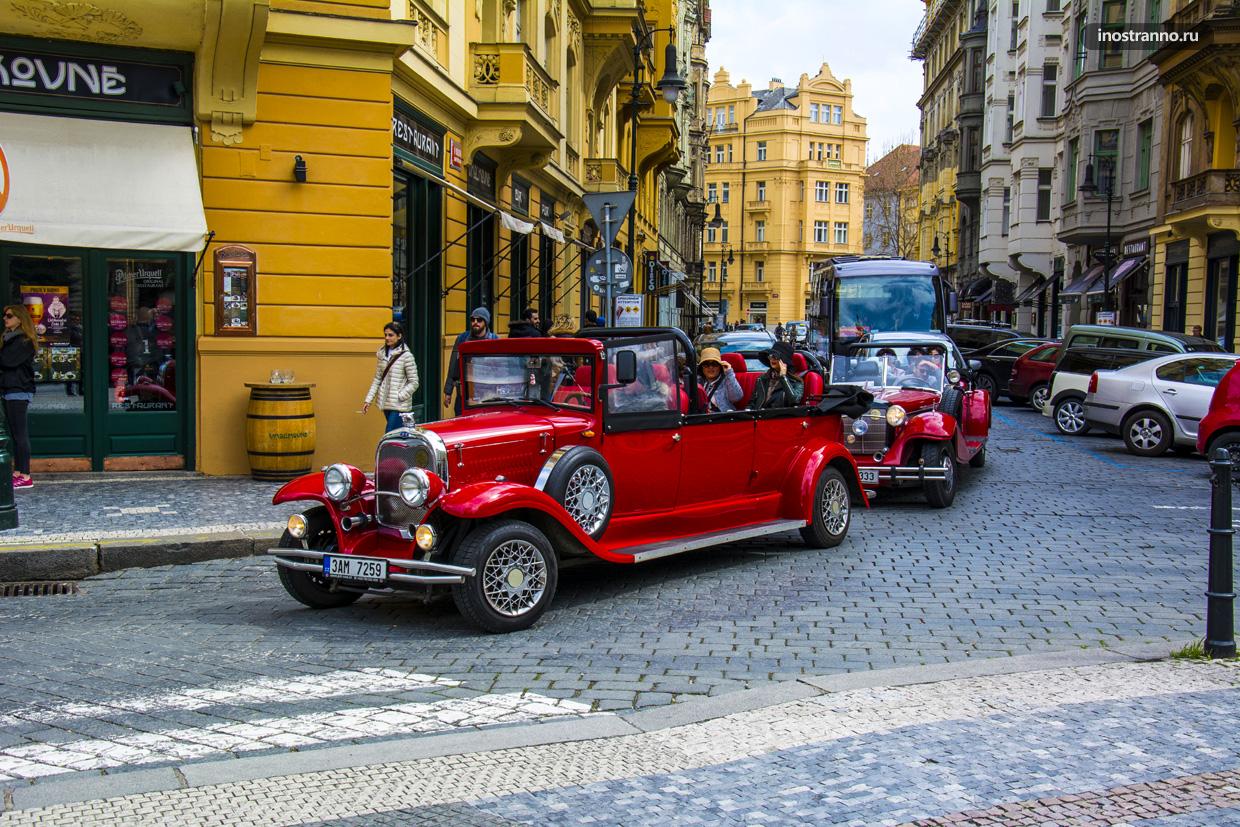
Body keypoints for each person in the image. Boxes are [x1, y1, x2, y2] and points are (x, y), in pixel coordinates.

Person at [1, 305, 37, 489]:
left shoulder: (24, 341)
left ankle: (25, 474)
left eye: (9, 316)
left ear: (20, 319)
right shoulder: (9, 338)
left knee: (20, 434)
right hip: (9, 389)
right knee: (15, 434)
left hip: (19, 389)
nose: (5, 319)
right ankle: (18, 471)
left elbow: (7, 361)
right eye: (4, 316)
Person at [363, 321, 419, 432]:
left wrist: (400, 396)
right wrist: (368, 400)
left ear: (399, 336)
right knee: (397, 436)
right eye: (386, 335)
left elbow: (414, 382)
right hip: (386, 403)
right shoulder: (382, 354)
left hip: (399, 405)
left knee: (390, 433)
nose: (387, 338)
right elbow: (378, 379)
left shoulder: (406, 356)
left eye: (390, 335)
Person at [443, 307, 498, 416]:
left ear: (486, 322)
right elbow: (454, 365)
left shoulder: (494, 339)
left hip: (486, 394)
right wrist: (448, 391)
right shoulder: (462, 338)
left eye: (479, 320)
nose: (475, 323)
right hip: (464, 393)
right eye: (473, 320)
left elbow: (499, 368)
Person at [748, 341, 804, 410]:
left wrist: (783, 377)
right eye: (770, 356)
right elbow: (752, 403)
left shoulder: (796, 381)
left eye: (775, 356)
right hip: (758, 417)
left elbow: (794, 401)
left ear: (784, 360)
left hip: (778, 418)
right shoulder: (762, 379)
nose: (772, 358)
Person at [698, 347, 743, 412]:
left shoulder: (727, 380)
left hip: (723, 418)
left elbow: (736, 397)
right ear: (701, 368)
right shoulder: (697, 381)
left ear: (720, 367)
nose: (711, 367)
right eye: (706, 364)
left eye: (714, 364)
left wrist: (729, 373)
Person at [125, 307, 162, 383]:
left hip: (135, 366)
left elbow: (128, 351)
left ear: (137, 317)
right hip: (151, 365)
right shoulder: (154, 332)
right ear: (149, 318)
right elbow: (159, 351)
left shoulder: (130, 331)